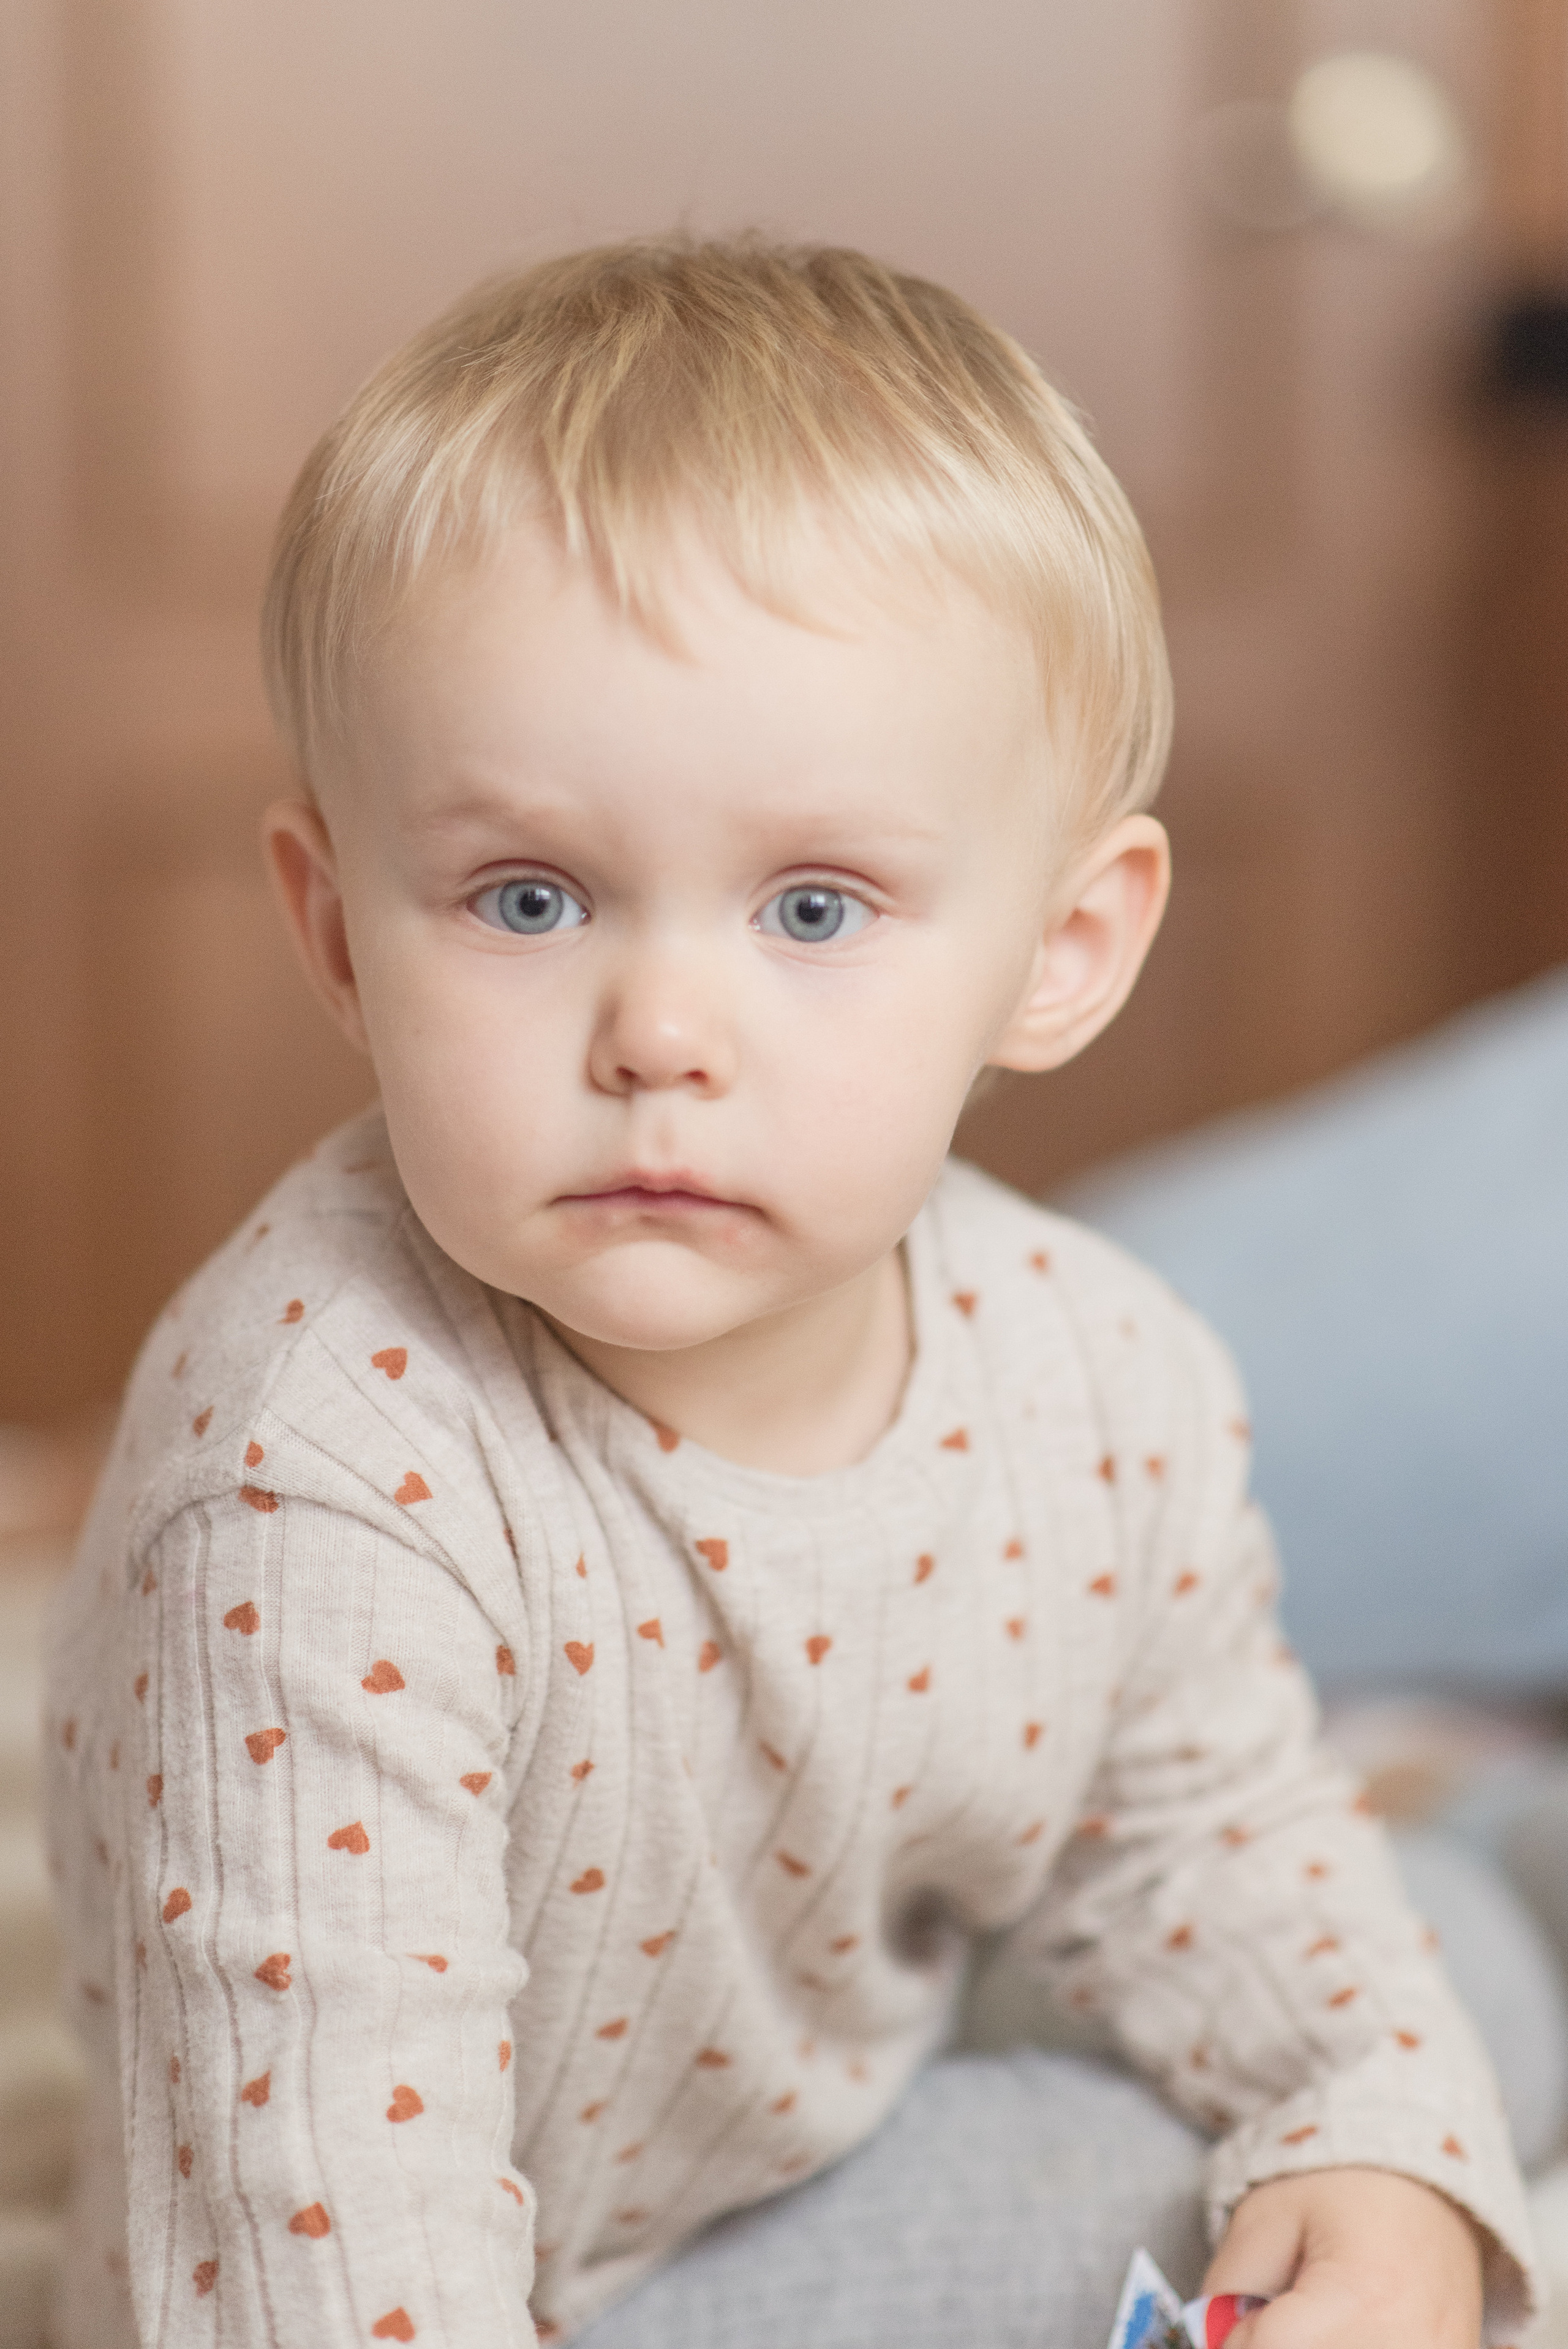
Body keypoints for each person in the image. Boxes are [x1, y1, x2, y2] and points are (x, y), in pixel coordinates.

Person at [43, 239, 1536, 2349]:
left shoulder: (1095, 1374)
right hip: (503, 2282)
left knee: (1424, 1997)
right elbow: (319, 2260)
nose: (661, 1026)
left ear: (1062, 947)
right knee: (1108, 2179)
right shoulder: (314, 1494)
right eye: (529, 896)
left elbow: (1202, 1823)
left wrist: (1379, 2152)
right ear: (339, 924)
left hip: (793, 2093)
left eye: (813, 905)